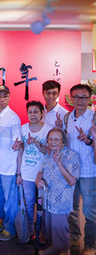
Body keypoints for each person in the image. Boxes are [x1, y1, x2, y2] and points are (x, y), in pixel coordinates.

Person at [59, 84, 96, 255]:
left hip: (89, 171)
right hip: (70, 171)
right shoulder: (67, 117)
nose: (80, 101)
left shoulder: (94, 117)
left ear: (90, 99)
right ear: (71, 98)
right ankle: (74, 236)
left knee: (90, 210)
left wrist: (88, 140)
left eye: (84, 97)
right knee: (71, 207)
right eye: (76, 97)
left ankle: (90, 245)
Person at [35, 128, 80, 255]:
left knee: (60, 228)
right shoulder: (48, 156)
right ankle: (54, 247)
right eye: (50, 139)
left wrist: (59, 164)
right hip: (47, 199)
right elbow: (40, 172)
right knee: (49, 226)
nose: (52, 142)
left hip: (61, 200)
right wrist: (37, 181)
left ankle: (64, 251)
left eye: (56, 139)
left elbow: (72, 181)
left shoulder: (72, 156)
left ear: (63, 142)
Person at [16, 101, 53, 238]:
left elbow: (49, 151)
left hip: (44, 174)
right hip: (27, 173)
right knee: (30, 203)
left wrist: (37, 143)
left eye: (36, 111)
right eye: (30, 112)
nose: (33, 114)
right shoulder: (23, 128)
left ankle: (42, 230)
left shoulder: (49, 129)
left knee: (44, 205)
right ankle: (30, 229)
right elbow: (20, 152)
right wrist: (18, 173)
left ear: (42, 113)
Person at [0, 85, 21, 241]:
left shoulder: (13, 117)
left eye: (5, 96)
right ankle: (4, 222)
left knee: (10, 200)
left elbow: (18, 143)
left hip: (8, 167)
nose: (2, 99)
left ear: (9, 97)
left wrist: (18, 171)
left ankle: (11, 228)